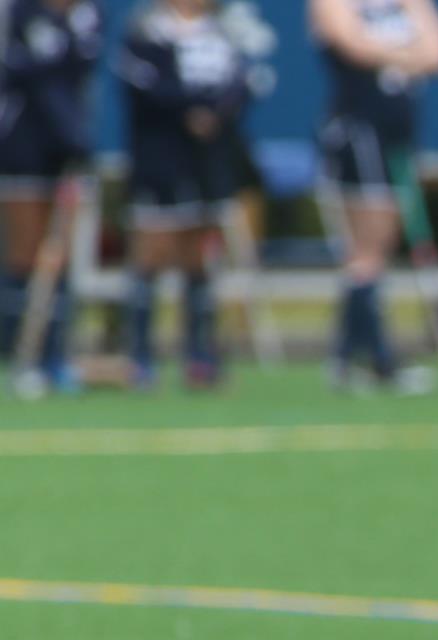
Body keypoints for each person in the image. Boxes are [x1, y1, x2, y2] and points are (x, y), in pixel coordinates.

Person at [308, 0, 438, 389]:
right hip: (358, 131)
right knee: (366, 249)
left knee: (377, 249)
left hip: (399, 133)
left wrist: (394, 55)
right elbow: (353, 46)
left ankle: (349, 357)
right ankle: (373, 358)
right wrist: (409, 54)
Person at [113, 0, 252, 388]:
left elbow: (240, 85)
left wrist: (214, 113)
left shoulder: (223, 33)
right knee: (151, 253)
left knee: (200, 256)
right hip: (160, 159)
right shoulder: (146, 33)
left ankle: (199, 355)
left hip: (207, 161)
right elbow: (147, 88)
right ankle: (140, 356)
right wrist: (189, 110)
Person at [0, 0, 102, 389]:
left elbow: (78, 74)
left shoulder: (88, 15)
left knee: (60, 257)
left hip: (68, 151)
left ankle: (54, 353)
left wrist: (75, 141)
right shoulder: (20, 13)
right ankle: (16, 352)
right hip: (22, 146)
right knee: (22, 257)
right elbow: (32, 77)